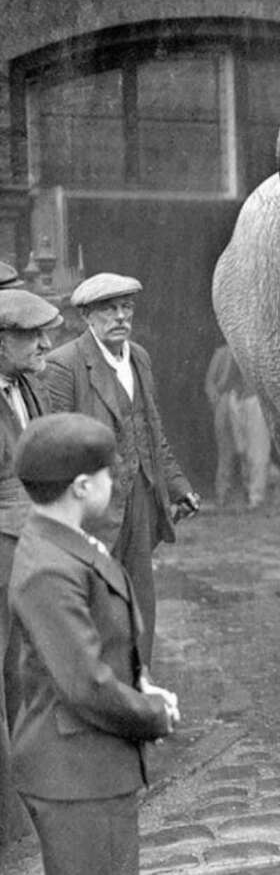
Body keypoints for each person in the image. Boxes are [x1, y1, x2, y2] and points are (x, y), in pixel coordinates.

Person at [8, 412, 179, 875]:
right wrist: (154, 715)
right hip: (77, 776)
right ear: (81, 486)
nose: (115, 480)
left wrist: (141, 682)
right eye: (109, 472)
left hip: (89, 768)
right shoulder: (50, 567)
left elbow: (99, 643)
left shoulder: (62, 543)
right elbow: (85, 683)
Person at [42, 272, 200, 671]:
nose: (120, 317)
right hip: (94, 507)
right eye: (109, 309)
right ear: (86, 317)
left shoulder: (140, 357)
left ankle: (136, 688)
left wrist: (178, 485)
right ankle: (96, 698)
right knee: (95, 598)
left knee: (140, 600)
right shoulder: (65, 365)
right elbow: (59, 441)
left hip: (141, 497)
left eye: (126, 307)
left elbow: (152, 429)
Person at [0, 289, 62, 848]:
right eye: (31, 335)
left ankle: (26, 793)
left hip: (28, 547)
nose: (45, 343)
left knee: (23, 672)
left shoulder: (27, 386)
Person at [205, 343, 272, 509]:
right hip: (234, 400)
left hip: (254, 399)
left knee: (258, 451)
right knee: (240, 450)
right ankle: (242, 494)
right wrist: (218, 401)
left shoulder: (256, 348)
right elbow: (211, 382)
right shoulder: (222, 353)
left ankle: (256, 497)